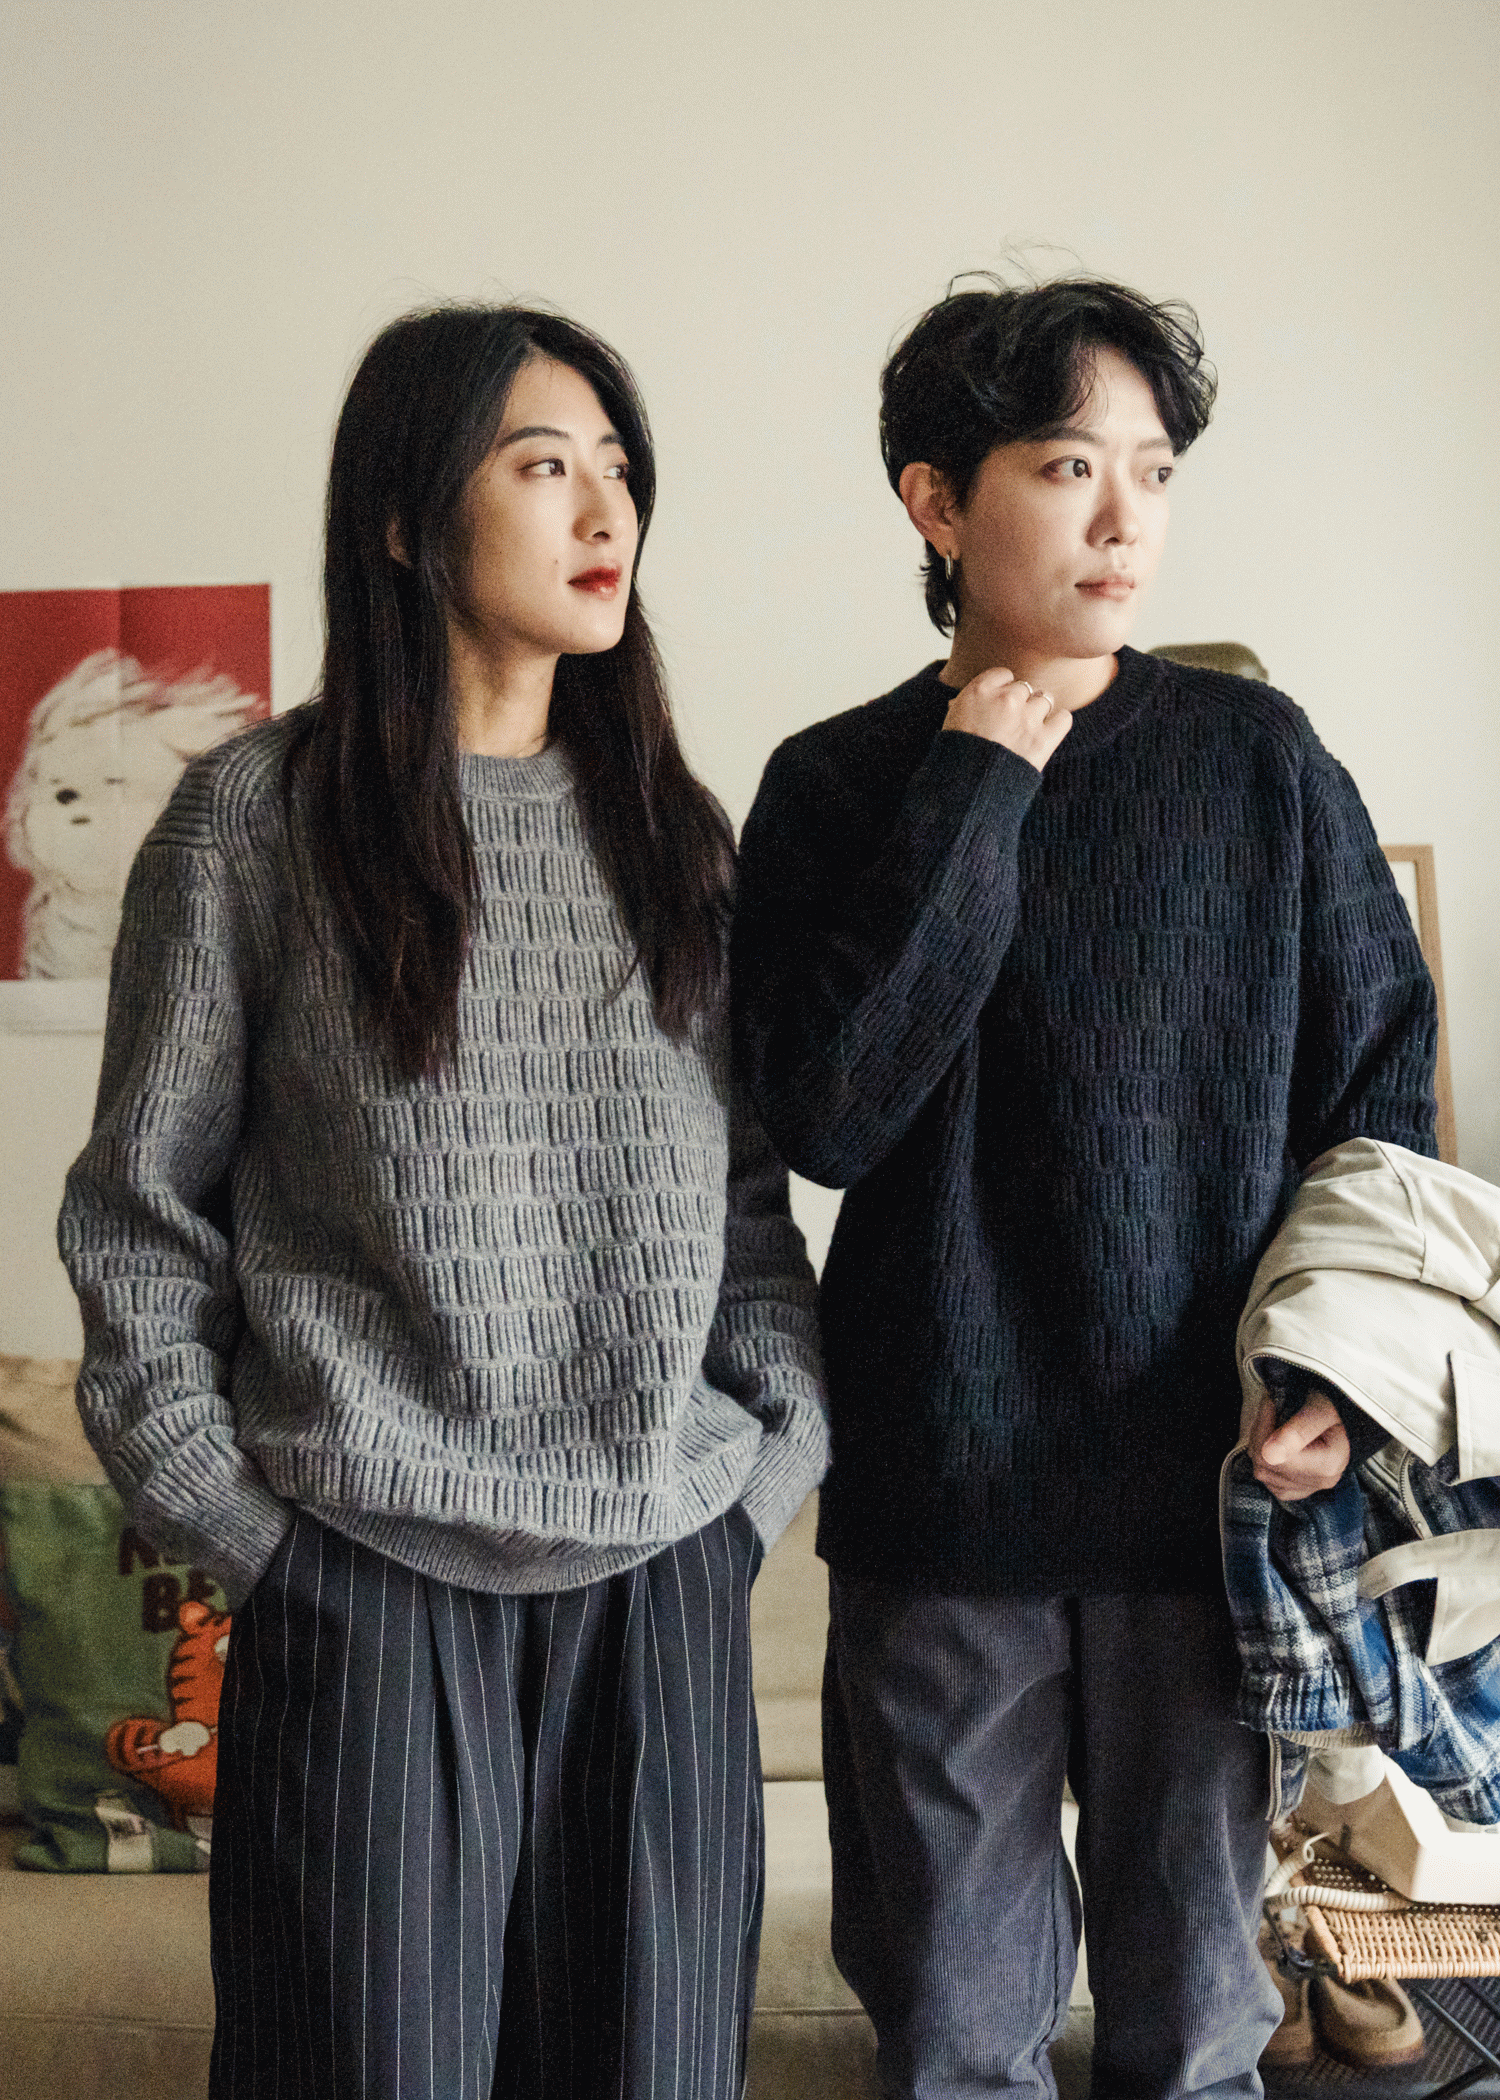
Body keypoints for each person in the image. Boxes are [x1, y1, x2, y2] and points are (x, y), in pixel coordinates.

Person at [59, 302, 828, 2100]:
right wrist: (268, 1549)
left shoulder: (678, 839)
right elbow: (139, 1227)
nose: (606, 511)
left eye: (619, 469)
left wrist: (752, 1490)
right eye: (546, 465)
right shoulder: (255, 825)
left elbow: (747, 1222)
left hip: (662, 1585)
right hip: (368, 1588)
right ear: (405, 521)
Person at [730, 275, 1437, 2098]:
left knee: (1195, 2039)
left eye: (1155, 471)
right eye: (1068, 467)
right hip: (941, 1504)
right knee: (957, 2040)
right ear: (936, 502)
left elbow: (1378, 1097)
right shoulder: (835, 785)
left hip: (1208, 1502)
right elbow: (828, 1115)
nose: (1127, 518)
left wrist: (1342, 1375)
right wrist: (975, 789)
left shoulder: (1260, 765)